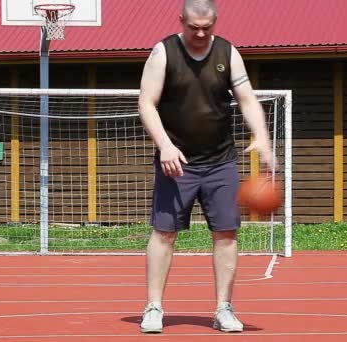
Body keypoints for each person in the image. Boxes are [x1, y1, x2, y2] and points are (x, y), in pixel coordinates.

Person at [137, 0, 273, 334]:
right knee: (164, 233)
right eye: (194, 26)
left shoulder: (228, 53)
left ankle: (223, 308)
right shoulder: (163, 53)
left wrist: (262, 135)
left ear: (215, 22)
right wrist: (165, 145)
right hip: (176, 162)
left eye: (207, 27)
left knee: (226, 234)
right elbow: (146, 102)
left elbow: (247, 99)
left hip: (220, 161)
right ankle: (154, 306)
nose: (200, 33)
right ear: (181, 20)